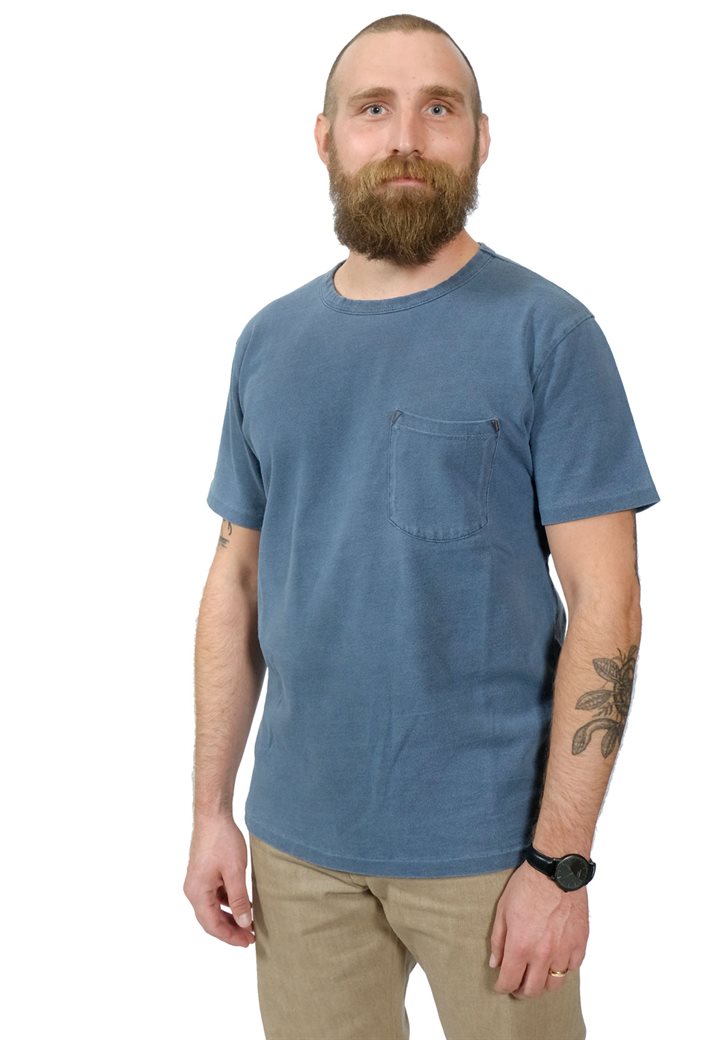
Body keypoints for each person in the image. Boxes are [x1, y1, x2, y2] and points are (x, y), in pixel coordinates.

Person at [183, 13, 660, 1040]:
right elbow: (235, 581)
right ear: (326, 139)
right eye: (373, 109)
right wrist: (211, 809)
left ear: (481, 139)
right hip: (297, 851)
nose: (405, 137)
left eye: (438, 108)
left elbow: (608, 603)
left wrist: (559, 862)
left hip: (492, 856)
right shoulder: (268, 341)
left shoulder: (548, 334)